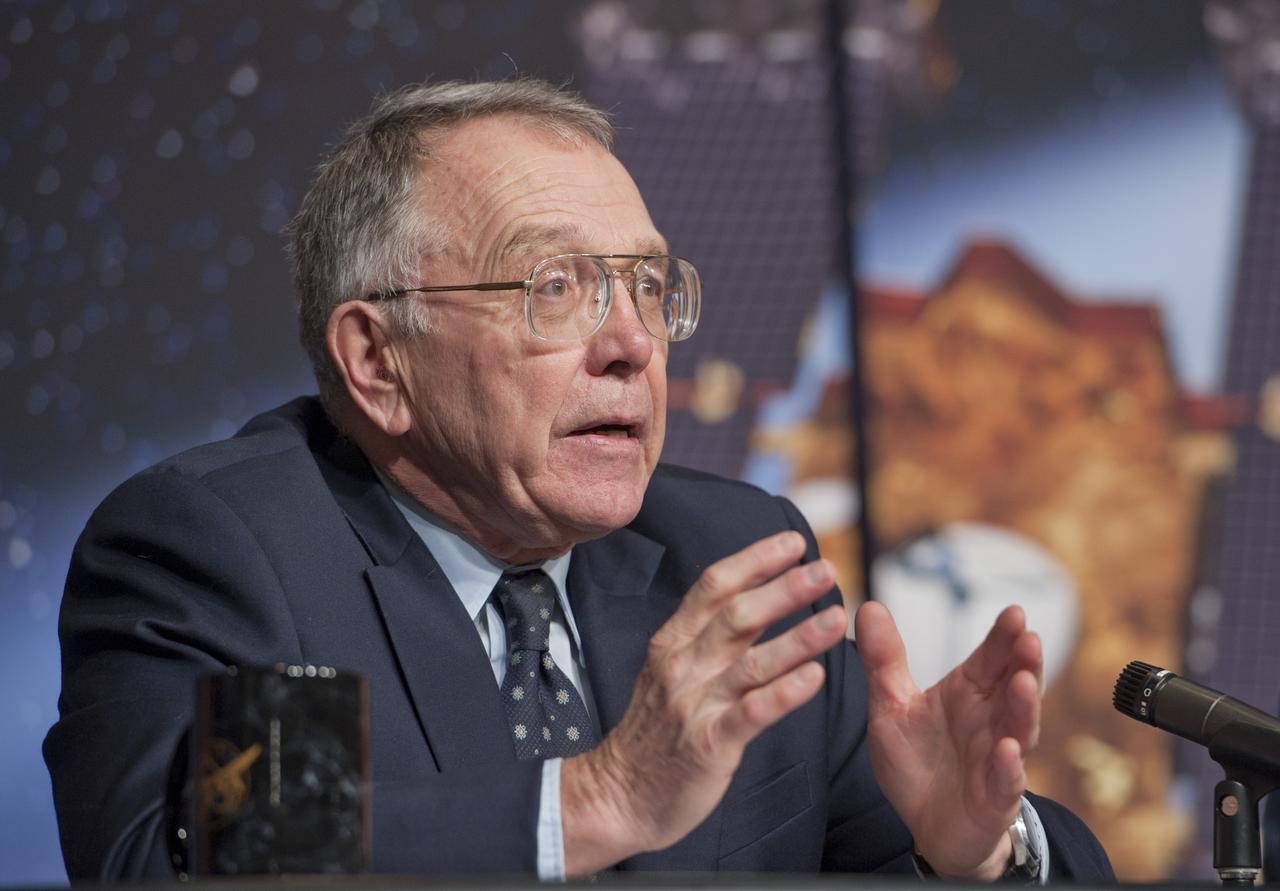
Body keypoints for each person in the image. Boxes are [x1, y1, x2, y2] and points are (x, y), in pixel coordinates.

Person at [44, 78, 1113, 881]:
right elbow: (194, 861)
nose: (631, 345)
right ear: (377, 361)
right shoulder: (246, 550)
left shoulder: (728, 558)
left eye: (648, 288)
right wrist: (593, 799)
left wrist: (970, 851)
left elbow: (881, 863)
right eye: (555, 286)